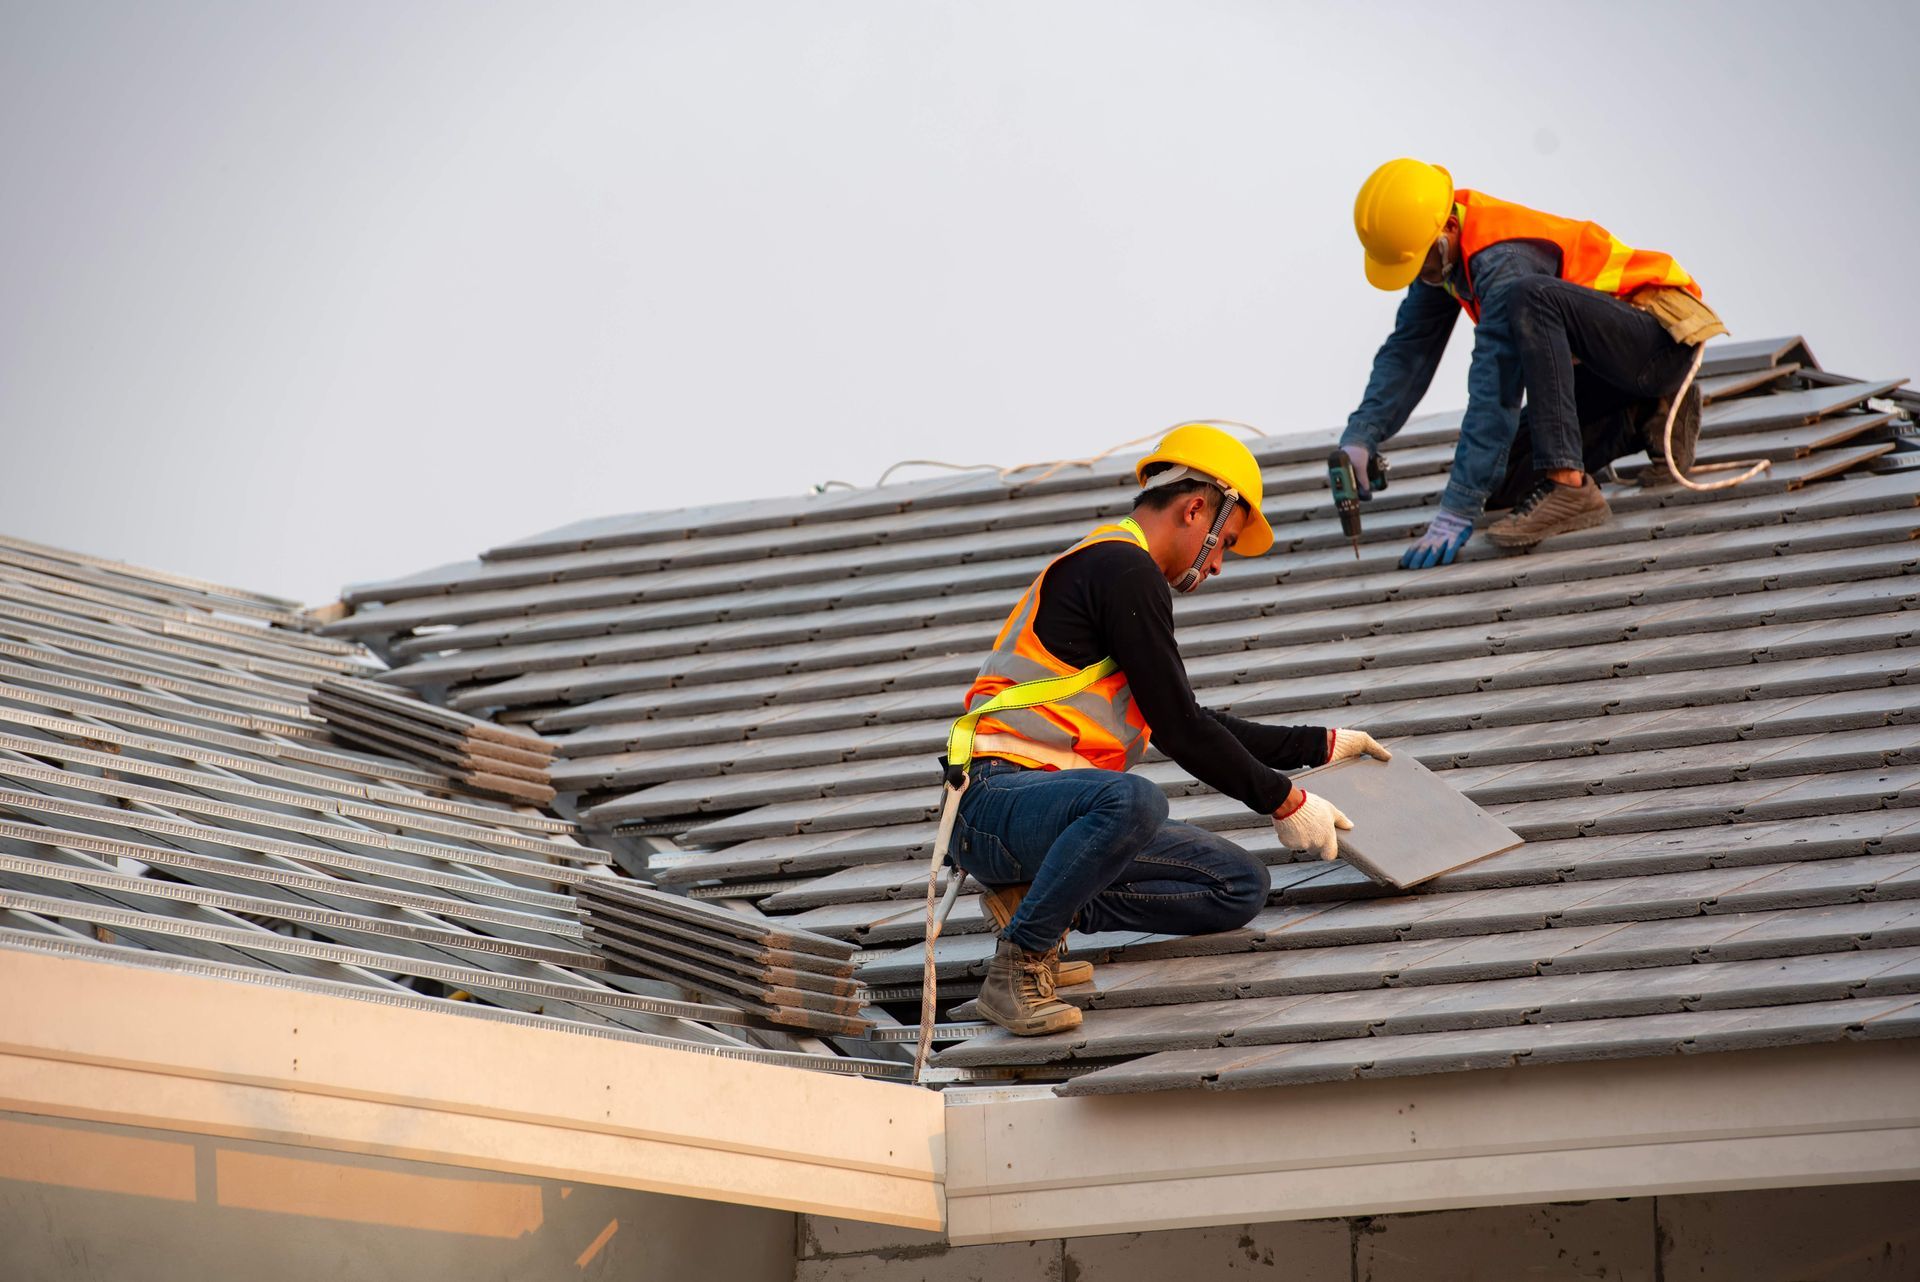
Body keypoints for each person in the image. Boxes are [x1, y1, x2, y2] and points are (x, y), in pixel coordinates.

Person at [946, 423, 1391, 1036]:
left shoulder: (1122, 576)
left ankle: (1033, 907)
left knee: (1239, 884)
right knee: (1134, 799)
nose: (1219, 567)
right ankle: (1020, 966)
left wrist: (1319, 745)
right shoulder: (1123, 570)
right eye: (1225, 544)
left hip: (1054, 818)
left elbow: (1188, 718)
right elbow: (1181, 730)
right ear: (1195, 509)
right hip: (992, 805)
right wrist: (1284, 799)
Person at [1339, 159, 1726, 569]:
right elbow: (1409, 350)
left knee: (1532, 298)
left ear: (1447, 230)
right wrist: (1363, 433)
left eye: (1421, 266)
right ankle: (1648, 412)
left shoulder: (1502, 260)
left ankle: (1569, 485)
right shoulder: (1443, 257)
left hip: (1659, 339)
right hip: (1611, 375)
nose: (1422, 276)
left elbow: (1496, 384)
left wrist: (1458, 507)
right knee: (1503, 482)